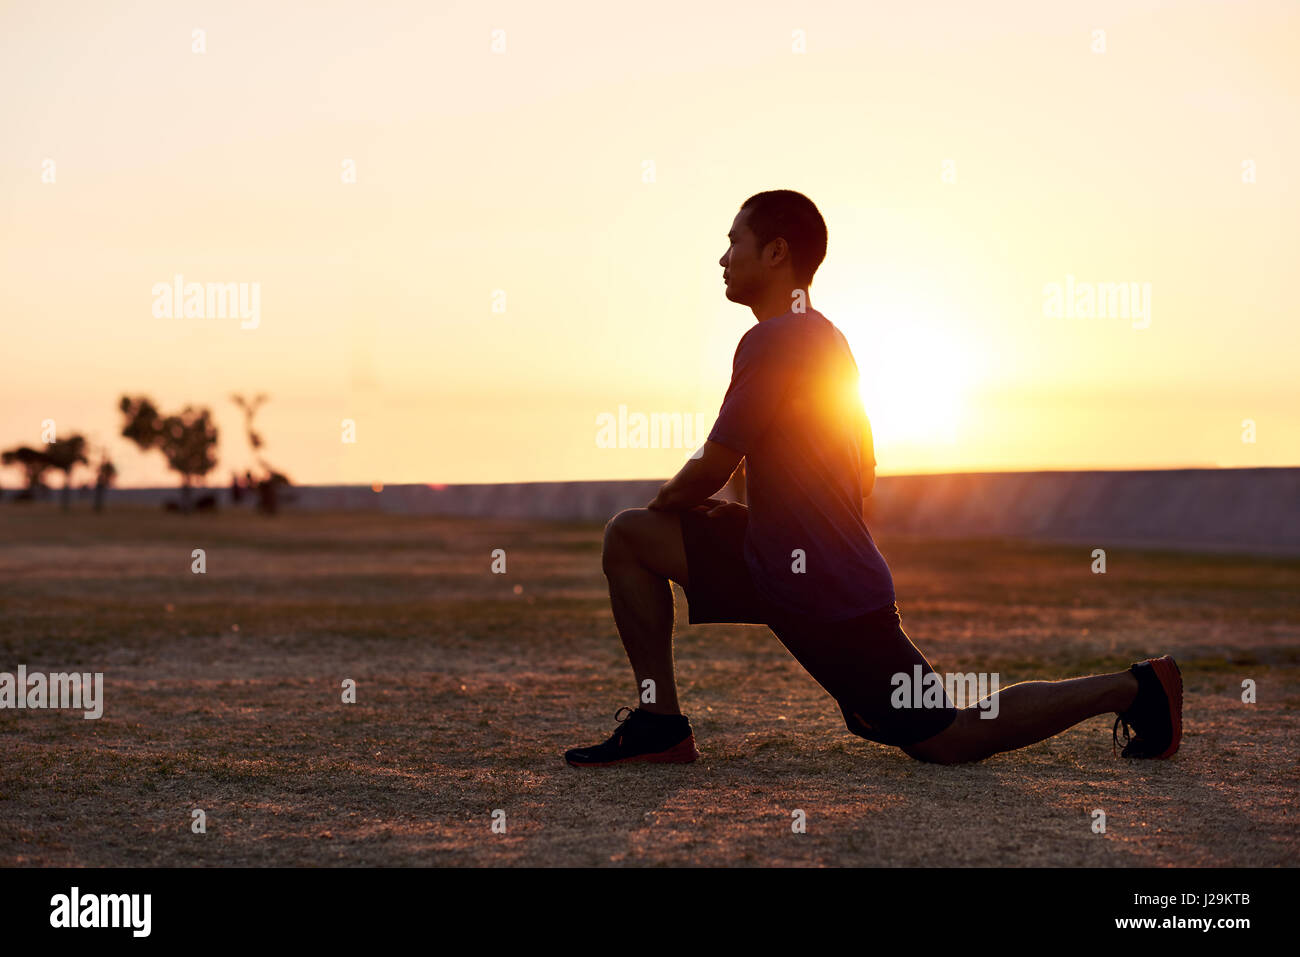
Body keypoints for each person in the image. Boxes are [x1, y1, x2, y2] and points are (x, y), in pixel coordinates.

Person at [564, 189, 1181, 767]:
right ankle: (660, 723)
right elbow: (860, 468)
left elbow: (715, 462)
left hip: (827, 587)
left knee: (948, 738)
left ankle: (1135, 688)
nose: (722, 259)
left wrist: (670, 503)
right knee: (632, 537)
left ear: (776, 252)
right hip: (775, 559)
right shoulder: (826, 338)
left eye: (734, 242)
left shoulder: (775, 338)